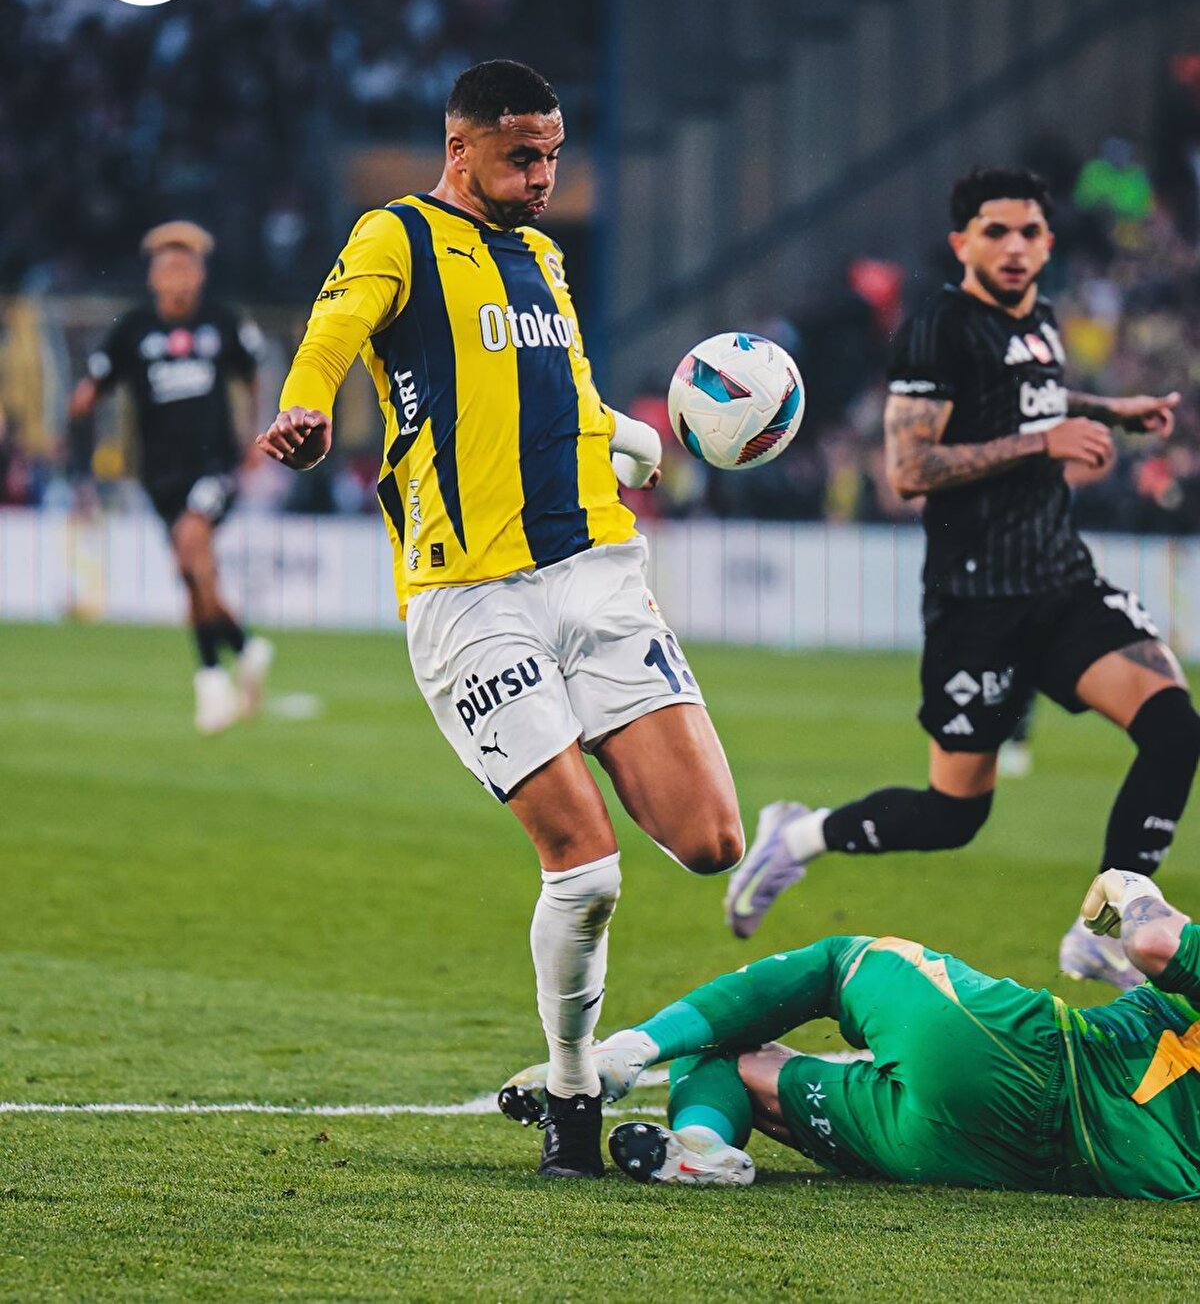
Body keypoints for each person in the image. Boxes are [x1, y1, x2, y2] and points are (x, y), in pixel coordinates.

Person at [256, 60, 743, 1179]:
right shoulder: (399, 233)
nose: (543, 177)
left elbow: (549, 387)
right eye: (523, 156)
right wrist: (305, 404)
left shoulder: (544, 259)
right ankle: (573, 1089)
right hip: (471, 594)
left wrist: (625, 434)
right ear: (460, 147)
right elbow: (335, 329)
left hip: (597, 570)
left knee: (711, 842)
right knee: (588, 868)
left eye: (554, 156)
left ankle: (591, 1043)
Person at [724, 168, 1198, 990]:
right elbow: (908, 468)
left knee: (1173, 728)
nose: (1014, 247)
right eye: (995, 231)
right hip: (977, 603)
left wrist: (1106, 410)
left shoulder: (1039, 321)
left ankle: (1106, 927)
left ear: (1048, 242)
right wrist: (1045, 443)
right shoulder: (937, 329)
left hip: (1061, 581)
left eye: (1029, 232)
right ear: (961, 243)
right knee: (953, 815)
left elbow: (1026, 395)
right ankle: (796, 837)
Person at [501, 870, 1199, 1199]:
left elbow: (1155, 946)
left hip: (1028, 1065)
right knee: (725, 1052)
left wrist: (1135, 891)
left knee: (841, 960)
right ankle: (702, 1149)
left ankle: (621, 1055)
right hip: (1054, 1171)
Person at [68, 221, 272, 734]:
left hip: (213, 466)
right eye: (169, 269)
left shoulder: (222, 322)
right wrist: (81, 411)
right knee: (192, 570)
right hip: (159, 475)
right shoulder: (134, 330)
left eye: (186, 268)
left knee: (191, 541)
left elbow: (253, 374)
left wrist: (256, 437)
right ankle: (245, 648)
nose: (178, 278)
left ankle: (210, 678)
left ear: (199, 275)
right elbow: (92, 388)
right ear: (154, 278)